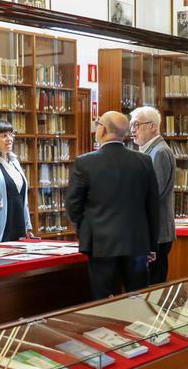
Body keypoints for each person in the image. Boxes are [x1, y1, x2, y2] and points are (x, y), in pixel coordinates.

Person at [66, 111, 160, 300]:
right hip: (137, 243)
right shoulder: (143, 161)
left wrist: (85, 229)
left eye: (98, 123)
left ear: (103, 130)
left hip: (101, 244)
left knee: (103, 301)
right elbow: (153, 206)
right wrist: (152, 244)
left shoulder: (85, 162)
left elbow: (73, 204)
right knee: (138, 299)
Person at [129, 106, 175, 283]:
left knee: (153, 285)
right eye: (132, 125)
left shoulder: (159, 152)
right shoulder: (148, 152)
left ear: (153, 127)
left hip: (157, 233)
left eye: (137, 125)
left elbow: (155, 193)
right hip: (150, 231)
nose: (133, 130)